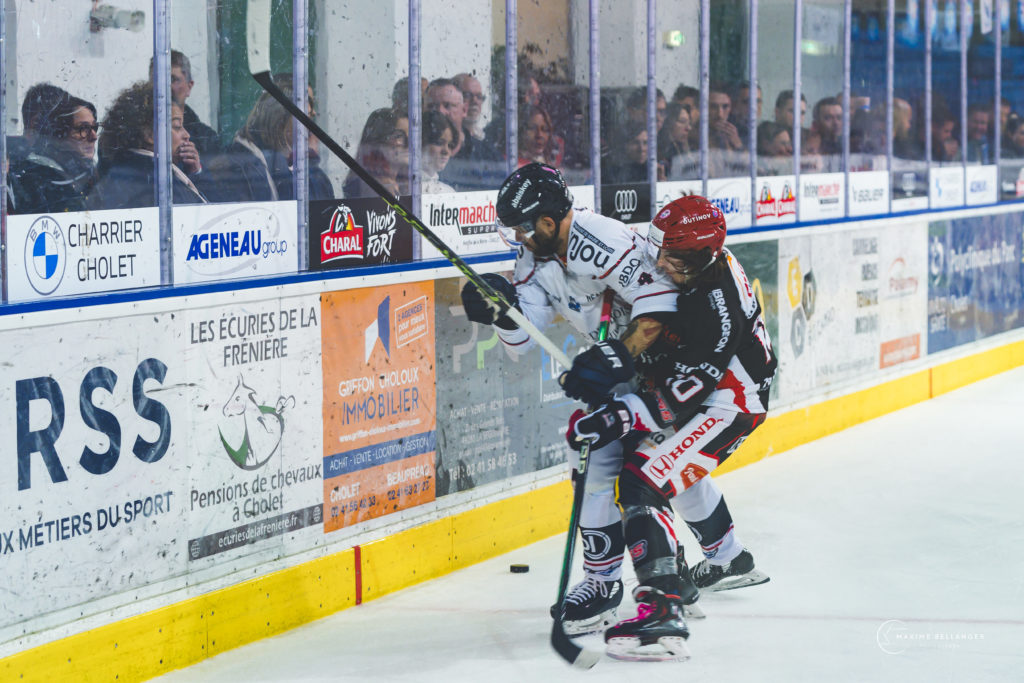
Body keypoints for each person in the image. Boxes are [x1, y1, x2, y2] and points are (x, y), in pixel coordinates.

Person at [459, 163, 685, 638]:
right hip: (624, 363)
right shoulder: (534, 262)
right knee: (609, 458)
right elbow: (521, 346)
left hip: (670, 362)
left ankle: (636, 577)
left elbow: (662, 302)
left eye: (523, 227)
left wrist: (617, 356)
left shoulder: (598, 237)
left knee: (637, 465)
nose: (518, 237)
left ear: (546, 222)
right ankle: (661, 568)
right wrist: (501, 312)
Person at [560, 195, 776, 660]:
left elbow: (687, 391)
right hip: (705, 392)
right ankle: (721, 559)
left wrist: (620, 414)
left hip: (730, 403)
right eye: (658, 248)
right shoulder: (691, 268)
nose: (660, 263)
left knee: (643, 480)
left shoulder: (717, 305)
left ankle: (662, 614)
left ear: (705, 257)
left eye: (673, 257)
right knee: (654, 468)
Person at [87, 82, 206, 209]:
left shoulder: (114, 177)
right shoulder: (161, 186)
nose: (187, 135)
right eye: (177, 126)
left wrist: (194, 172)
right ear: (150, 134)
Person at [8, 93, 98, 214]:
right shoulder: (36, 180)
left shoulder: (92, 176)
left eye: (95, 127)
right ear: (59, 134)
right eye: (83, 128)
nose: (94, 137)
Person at [150, 50, 221, 156]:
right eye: (158, 79)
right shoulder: (135, 131)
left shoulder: (206, 139)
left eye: (173, 79)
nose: (165, 87)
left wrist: (197, 170)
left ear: (189, 86)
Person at [342, 108, 409, 198]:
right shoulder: (370, 185)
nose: (409, 143)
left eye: (412, 135)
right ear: (379, 141)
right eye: (399, 136)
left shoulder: (405, 181)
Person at [421, 109, 458, 194]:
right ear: (422, 143)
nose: (446, 151)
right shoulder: (405, 189)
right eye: (439, 143)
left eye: (450, 145)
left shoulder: (449, 193)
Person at [657, 102, 696, 180]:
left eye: (689, 123)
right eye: (682, 121)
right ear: (668, 122)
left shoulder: (689, 148)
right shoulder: (658, 151)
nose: (688, 128)